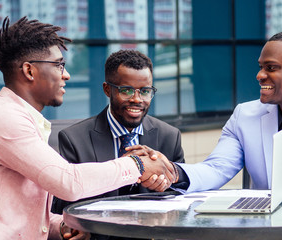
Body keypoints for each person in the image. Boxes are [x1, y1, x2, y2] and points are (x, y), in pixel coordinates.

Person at [0, 16, 175, 240]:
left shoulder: (21, 119)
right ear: (29, 71)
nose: (66, 74)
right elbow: (68, 182)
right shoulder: (5, 119)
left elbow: (18, 210)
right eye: (58, 65)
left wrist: (60, 226)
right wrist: (138, 164)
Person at [173, 31, 282, 192]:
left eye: (271, 68)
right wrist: (173, 173)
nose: (259, 75)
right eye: (261, 67)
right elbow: (216, 169)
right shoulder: (244, 117)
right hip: (270, 220)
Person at [51, 50, 185, 214]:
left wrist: (164, 185)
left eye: (145, 91)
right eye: (126, 90)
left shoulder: (169, 137)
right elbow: (60, 205)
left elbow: (182, 196)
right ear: (107, 90)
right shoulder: (74, 139)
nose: (137, 99)